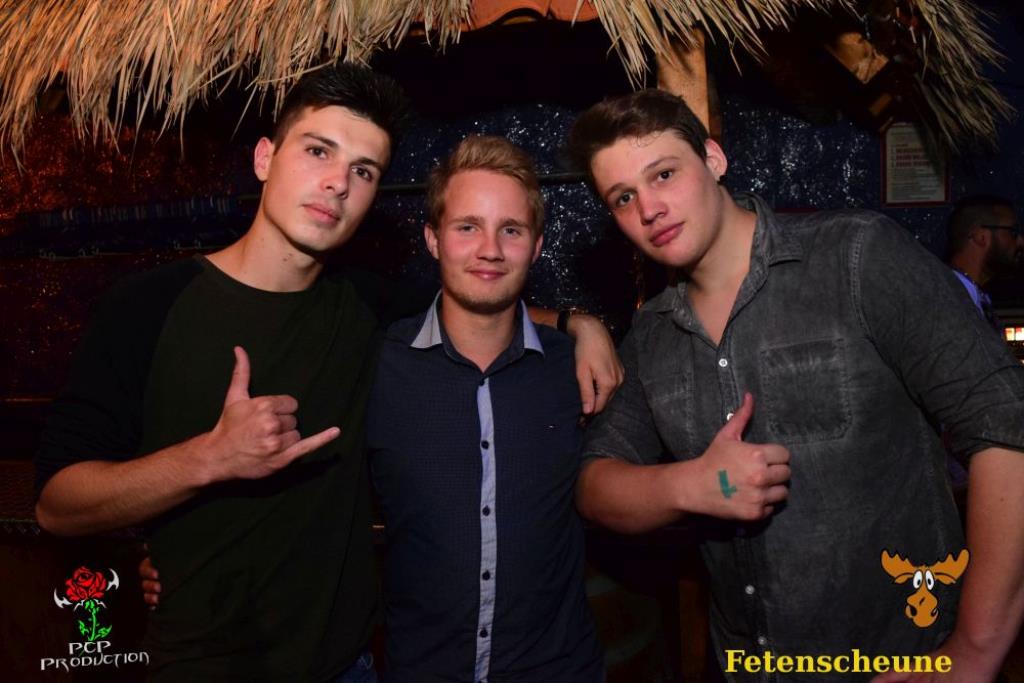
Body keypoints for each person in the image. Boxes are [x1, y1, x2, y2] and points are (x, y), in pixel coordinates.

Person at [35, 64, 621, 682]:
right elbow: (56, 506)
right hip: (199, 666)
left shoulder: (368, 308)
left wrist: (578, 324)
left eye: (363, 171)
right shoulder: (147, 306)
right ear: (264, 158)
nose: (338, 182)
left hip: (348, 667)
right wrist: (208, 459)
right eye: (318, 150)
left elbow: (477, 301)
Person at [565, 89, 1024, 681]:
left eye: (664, 174)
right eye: (624, 197)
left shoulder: (855, 256)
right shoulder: (653, 334)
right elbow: (594, 485)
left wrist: (975, 651)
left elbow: (1004, 423)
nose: (649, 208)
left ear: (713, 159)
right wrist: (693, 484)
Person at [367, 136, 604, 682]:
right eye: (468, 227)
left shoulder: (575, 370)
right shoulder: (378, 366)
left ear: (537, 246)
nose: (490, 249)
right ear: (433, 239)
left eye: (511, 230)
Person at [945, 194, 1023, 330]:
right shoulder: (946, 300)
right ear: (981, 237)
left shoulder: (976, 298)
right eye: (1013, 232)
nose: (1021, 241)